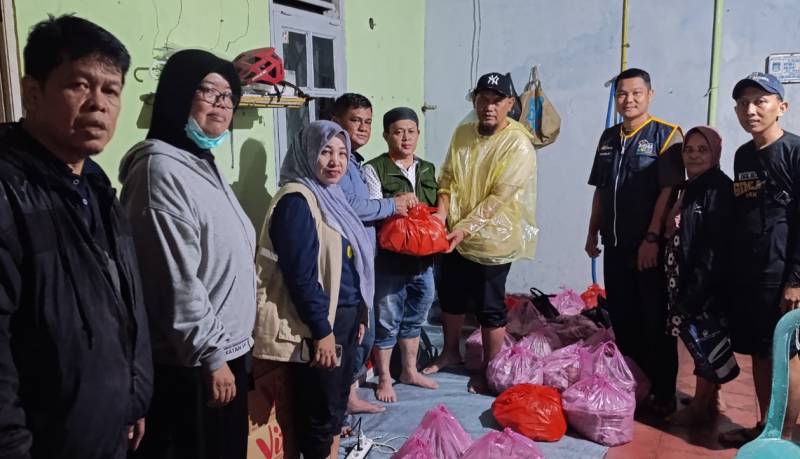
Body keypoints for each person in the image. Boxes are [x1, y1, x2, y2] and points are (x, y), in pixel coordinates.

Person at [0, 15, 153, 458]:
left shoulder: (97, 187)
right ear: (33, 92)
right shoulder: (10, 193)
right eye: (79, 85)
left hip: (106, 429)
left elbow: (121, 302)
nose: (98, 104)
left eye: (111, 90)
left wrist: (132, 395)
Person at [120, 49, 256, 458]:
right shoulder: (160, 170)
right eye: (210, 92)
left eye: (229, 96)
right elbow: (175, 279)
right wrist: (212, 357)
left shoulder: (202, 163)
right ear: (179, 95)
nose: (222, 104)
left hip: (226, 353)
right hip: (193, 364)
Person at [252, 121, 374, 459]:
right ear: (307, 155)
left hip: (344, 316)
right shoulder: (297, 201)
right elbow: (301, 277)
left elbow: (348, 264)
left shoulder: (332, 198)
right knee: (320, 412)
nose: (335, 162)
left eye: (342, 153)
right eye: (325, 152)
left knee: (334, 407)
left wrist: (360, 311)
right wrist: (322, 331)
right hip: (319, 323)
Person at [422, 72, 538, 393]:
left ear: (509, 104)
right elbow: (446, 177)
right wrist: (442, 216)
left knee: (490, 306)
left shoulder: (518, 144)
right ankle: (450, 353)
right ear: (474, 101)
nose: (488, 107)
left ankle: (491, 368)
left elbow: (499, 198)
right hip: (455, 234)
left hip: (493, 238)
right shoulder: (462, 134)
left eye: (496, 101)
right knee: (451, 296)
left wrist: (463, 229)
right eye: (482, 99)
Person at [585, 68, 683, 416]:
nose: (628, 100)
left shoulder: (667, 135)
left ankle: (663, 393)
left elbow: (669, 192)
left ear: (650, 95)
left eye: (636, 93)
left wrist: (652, 238)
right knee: (624, 318)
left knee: (654, 319)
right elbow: (601, 189)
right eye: (622, 94)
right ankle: (633, 385)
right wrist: (591, 231)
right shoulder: (609, 138)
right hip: (615, 244)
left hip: (648, 248)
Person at [721, 72, 800, 445]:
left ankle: (784, 435)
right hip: (750, 273)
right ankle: (767, 430)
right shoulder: (742, 156)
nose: (750, 110)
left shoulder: (795, 152)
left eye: (760, 101)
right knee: (760, 350)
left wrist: (797, 279)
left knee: (788, 352)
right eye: (743, 103)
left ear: (781, 107)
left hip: (784, 271)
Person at [332, 93, 415, 414]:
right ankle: (348, 396)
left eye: (367, 121)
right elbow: (350, 207)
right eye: (356, 120)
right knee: (358, 329)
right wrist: (391, 206)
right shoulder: (345, 162)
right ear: (337, 121)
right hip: (347, 259)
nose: (363, 127)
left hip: (364, 257)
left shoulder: (352, 160)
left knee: (364, 328)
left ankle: (351, 393)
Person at [662, 126, 739, 425]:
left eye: (702, 149)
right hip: (686, 280)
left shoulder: (717, 189)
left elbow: (712, 251)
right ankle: (711, 398)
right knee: (702, 342)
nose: (694, 155)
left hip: (702, 286)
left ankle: (698, 409)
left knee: (703, 342)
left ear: (716, 153)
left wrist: (693, 294)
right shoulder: (690, 187)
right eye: (689, 149)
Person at [362, 107, 439, 402]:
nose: (405, 138)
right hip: (390, 260)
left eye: (411, 131)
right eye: (398, 131)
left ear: (418, 134)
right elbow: (372, 206)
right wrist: (394, 201)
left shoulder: (428, 169)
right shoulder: (374, 168)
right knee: (386, 320)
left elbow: (436, 204)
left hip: (423, 260)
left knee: (417, 315)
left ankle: (409, 370)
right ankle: (384, 378)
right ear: (385, 135)